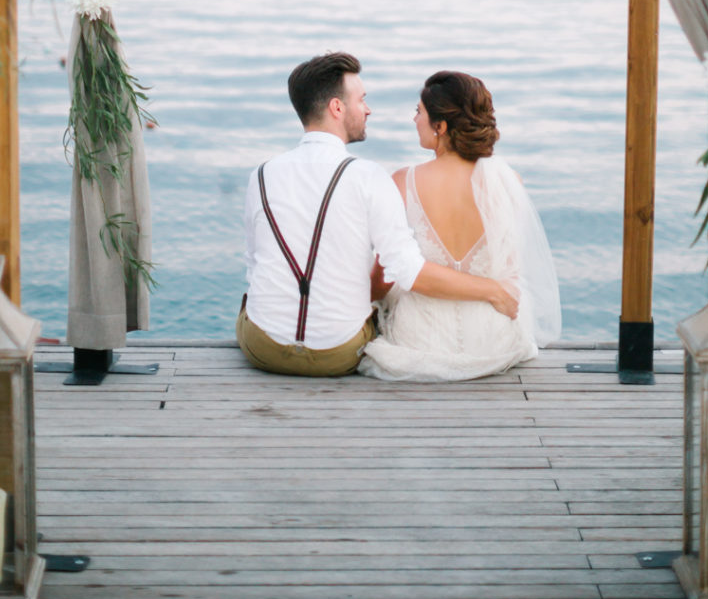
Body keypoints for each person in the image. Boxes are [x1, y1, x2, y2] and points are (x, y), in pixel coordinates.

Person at [237, 52, 520, 377]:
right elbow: (405, 270)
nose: (368, 109)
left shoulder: (261, 174)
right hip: (338, 354)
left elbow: (254, 262)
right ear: (337, 108)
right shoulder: (369, 177)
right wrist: (495, 291)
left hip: (261, 349)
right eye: (362, 100)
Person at [358, 70, 562, 382]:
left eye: (419, 112)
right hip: (492, 338)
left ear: (440, 126)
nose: (414, 120)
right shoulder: (508, 182)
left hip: (421, 337)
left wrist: (368, 302)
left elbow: (385, 275)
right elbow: (509, 271)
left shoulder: (403, 182)